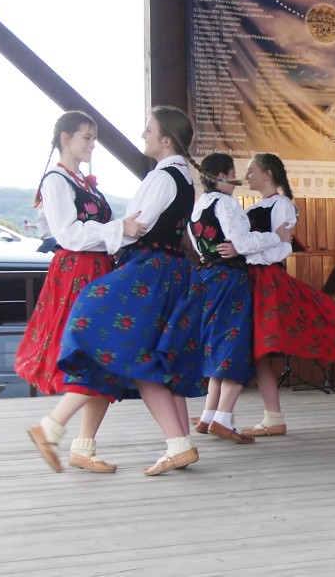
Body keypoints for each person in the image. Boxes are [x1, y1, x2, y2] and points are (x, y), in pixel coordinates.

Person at [58, 105, 208, 476]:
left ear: (166, 139)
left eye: (148, 130)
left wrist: (101, 233)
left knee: (92, 315)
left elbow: (135, 227)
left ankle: (177, 444)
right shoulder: (183, 176)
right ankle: (174, 442)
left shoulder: (162, 177)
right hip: (170, 268)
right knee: (155, 354)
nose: (143, 135)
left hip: (149, 268)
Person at [17, 110, 147, 473]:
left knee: (103, 356)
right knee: (95, 352)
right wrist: (119, 228)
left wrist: (120, 233)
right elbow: (67, 235)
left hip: (96, 270)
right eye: (86, 137)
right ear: (65, 138)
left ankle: (82, 446)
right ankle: (52, 428)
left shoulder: (82, 181)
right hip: (77, 272)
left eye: (93, 137)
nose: (92, 144)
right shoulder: (57, 180)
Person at [222, 152, 335, 438]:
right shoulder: (258, 205)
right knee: (256, 352)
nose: (247, 176)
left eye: (251, 170)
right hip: (252, 278)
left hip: (267, 279)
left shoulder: (282, 205)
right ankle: (265, 416)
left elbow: (282, 248)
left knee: (255, 347)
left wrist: (242, 249)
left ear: (267, 173)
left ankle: (223, 414)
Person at [188, 153, 285, 444]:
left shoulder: (198, 207)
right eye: (232, 173)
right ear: (221, 176)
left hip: (206, 278)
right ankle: (223, 419)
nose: (237, 179)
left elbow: (203, 246)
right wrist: (274, 237)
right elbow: (241, 243)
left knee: (218, 345)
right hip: (230, 280)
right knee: (235, 345)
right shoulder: (226, 203)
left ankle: (208, 416)